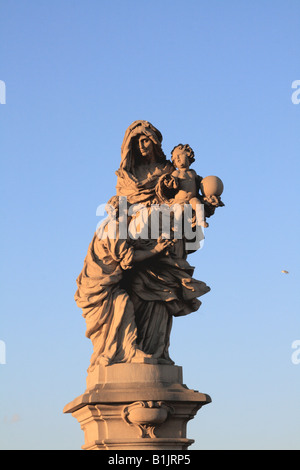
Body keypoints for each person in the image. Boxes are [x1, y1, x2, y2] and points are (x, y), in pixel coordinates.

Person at [75, 121, 211, 371]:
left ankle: (155, 352)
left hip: (165, 235)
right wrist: (118, 204)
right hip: (138, 241)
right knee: (134, 290)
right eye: (137, 141)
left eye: (146, 139)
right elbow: (122, 209)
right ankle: (126, 351)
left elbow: (191, 201)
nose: (142, 144)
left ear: (156, 144)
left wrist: (207, 204)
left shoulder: (169, 170)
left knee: (160, 298)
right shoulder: (127, 175)